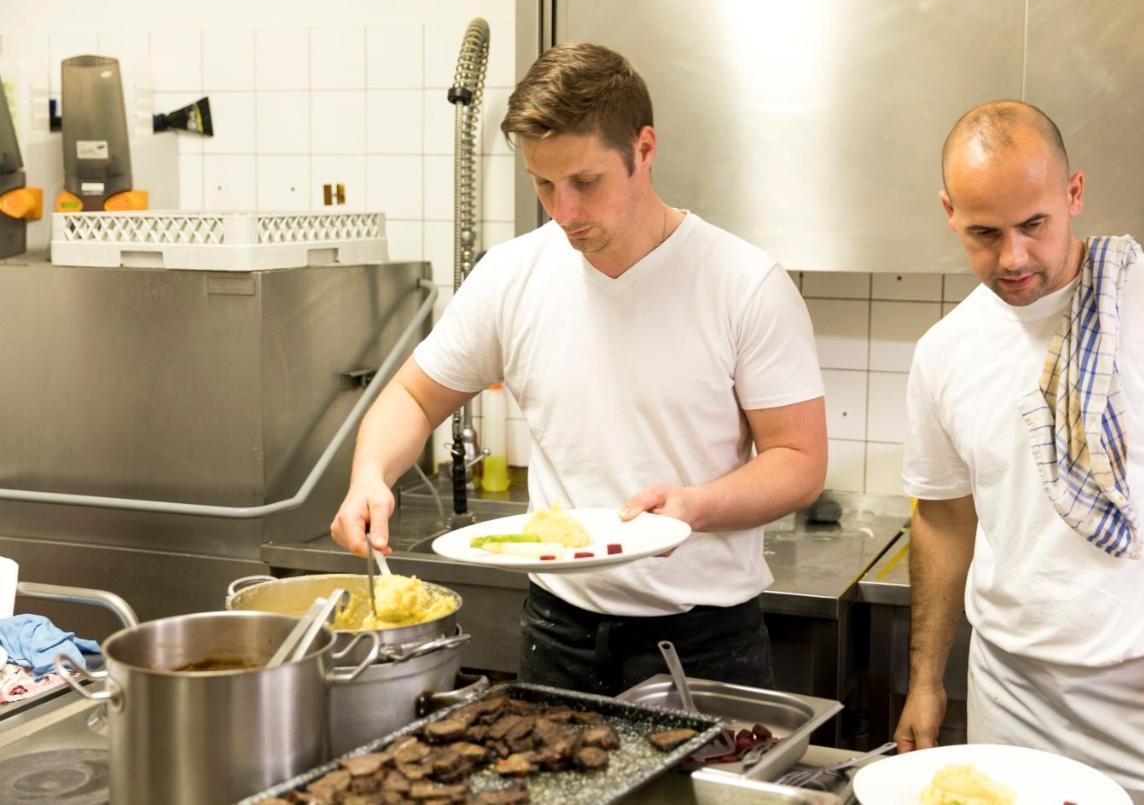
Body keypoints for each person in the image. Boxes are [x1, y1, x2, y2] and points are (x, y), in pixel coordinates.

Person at [330, 43, 827, 696]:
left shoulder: (743, 283)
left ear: (643, 150)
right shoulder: (512, 275)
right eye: (543, 184)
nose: (562, 212)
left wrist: (694, 507)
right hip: (557, 629)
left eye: (585, 182)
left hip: (701, 638)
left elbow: (799, 458)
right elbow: (415, 398)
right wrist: (370, 474)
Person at [894, 99, 1144, 801]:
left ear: (1074, 194)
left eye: (1033, 225)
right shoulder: (943, 353)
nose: (1011, 257)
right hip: (1011, 709)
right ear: (948, 211)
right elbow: (945, 517)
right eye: (983, 232)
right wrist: (924, 679)